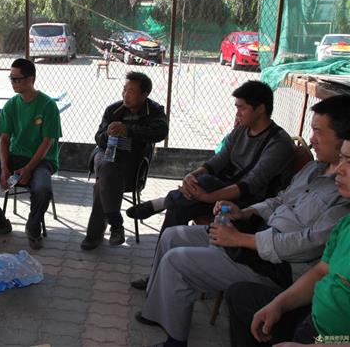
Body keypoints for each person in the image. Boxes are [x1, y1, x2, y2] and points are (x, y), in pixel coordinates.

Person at [133, 95, 350, 347]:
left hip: (274, 264)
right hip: (254, 232)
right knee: (173, 235)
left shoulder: (341, 194)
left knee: (177, 260)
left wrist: (241, 238)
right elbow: (279, 200)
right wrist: (245, 213)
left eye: (318, 131)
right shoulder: (313, 169)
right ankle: (157, 307)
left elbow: (306, 244)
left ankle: (175, 340)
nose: (311, 140)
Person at [225, 130, 350, 347]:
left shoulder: (340, 208)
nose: (340, 169)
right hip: (313, 320)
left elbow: (307, 244)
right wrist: (279, 305)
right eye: (342, 158)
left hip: (332, 339)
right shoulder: (345, 224)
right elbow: (321, 270)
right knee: (240, 296)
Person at [126, 80, 294, 235]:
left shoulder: (278, 143)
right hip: (225, 187)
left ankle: (163, 202)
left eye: (242, 108)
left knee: (204, 184)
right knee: (181, 204)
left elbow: (251, 184)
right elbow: (219, 160)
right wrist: (192, 175)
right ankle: (165, 251)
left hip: (249, 203)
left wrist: (207, 197)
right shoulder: (241, 130)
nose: (237, 114)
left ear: (261, 109)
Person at [0, 58, 62, 250]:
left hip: (42, 161)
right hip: (16, 157)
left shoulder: (47, 105)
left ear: (30, 79)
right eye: (11, 78)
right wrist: (4, 168)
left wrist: (28, 168)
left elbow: (47, 143)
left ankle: (33, 228)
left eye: (17, 79)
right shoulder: (11, 105)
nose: (13, 83)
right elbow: (4, 140)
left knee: (43, 190)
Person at [80, 72, 168, 250]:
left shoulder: (154, 111)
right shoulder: (113, 110)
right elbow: (98, 138)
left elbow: (160, 132)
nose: (126, 95)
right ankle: (115, 224)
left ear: (144, 94)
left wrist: (128, 130)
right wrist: (107, 134)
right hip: (105, 154)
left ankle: (100, 233)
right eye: (124, 90)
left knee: (103, 183)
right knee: (107, 166)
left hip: (131, 165)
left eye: (131, 91)